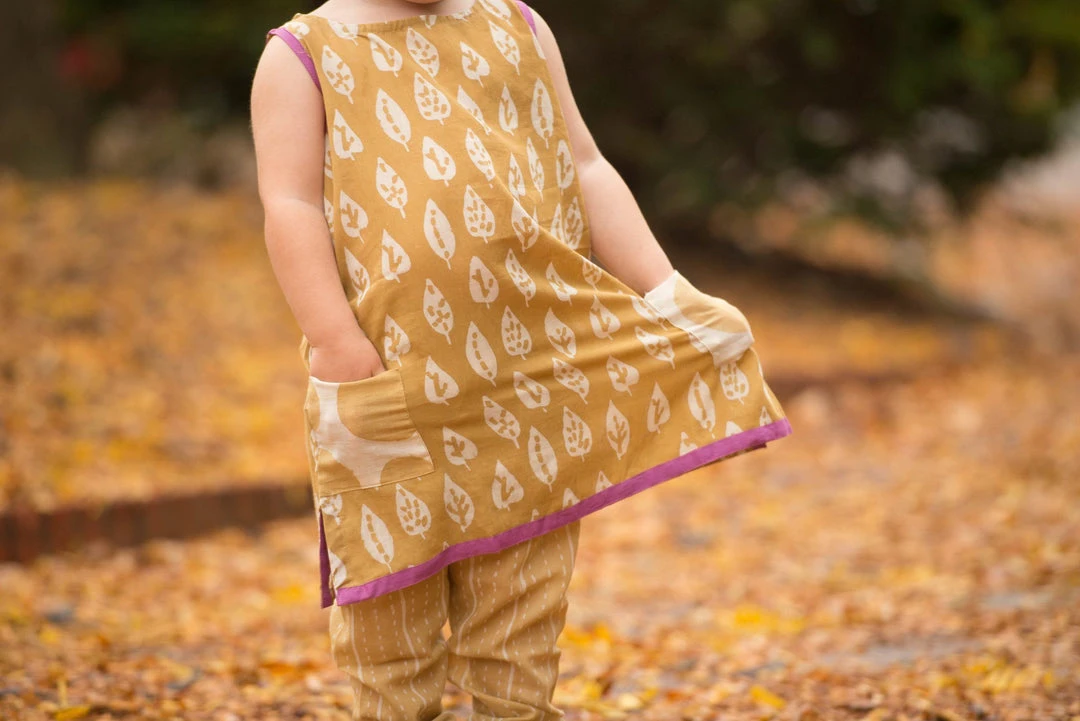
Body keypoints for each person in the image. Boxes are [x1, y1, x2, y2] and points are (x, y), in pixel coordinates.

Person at [250, 0, 793, 718]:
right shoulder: (302, 56)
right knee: (390, 631)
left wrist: (665, 287)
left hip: (529, 384)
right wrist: (334, 339)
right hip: (391, 386)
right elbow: (290, 204)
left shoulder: (518, 26)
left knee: (520, 623)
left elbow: (585, 166)